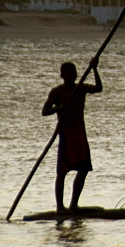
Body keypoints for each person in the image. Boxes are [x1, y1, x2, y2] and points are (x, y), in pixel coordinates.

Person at [42, 58, 103, 212]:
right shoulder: (56, 92)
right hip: (65, 134)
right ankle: (59, 207)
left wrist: (94, 68)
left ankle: (73, 205)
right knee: (62, 172)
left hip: (79, 133)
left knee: (83, 170)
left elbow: (98, 88)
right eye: (68, 73)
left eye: (74, 73)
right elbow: (45, 111)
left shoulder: (80, 88)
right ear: (62, 75)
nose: (72, 76)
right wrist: (59, 108)